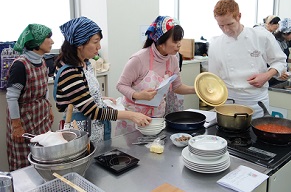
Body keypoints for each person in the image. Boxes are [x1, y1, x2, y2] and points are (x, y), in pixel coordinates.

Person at [53, 16, 151, 144]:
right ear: (79, 44)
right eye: (95, 42)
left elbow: (79, 95)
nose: (99, 47)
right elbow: (93, 112)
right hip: (81, 131)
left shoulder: (84, 63)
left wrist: (100, 98)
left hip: (95, 128)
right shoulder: (69, 72)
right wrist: (131, 115)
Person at [208, 0, 287, 119]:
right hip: (229, 104)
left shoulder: (261, 36)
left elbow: (280, 61)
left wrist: (266, 76)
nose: (226, 30)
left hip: (257, 103)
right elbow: (214, 79)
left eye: (230, 24)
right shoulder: (215, 45)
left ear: (239, 16)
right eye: (221, 26)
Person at [116, 16, 195, 135]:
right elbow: (121, 85)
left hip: (157, 119)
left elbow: (177, 87)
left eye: (180, 40)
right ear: (161, 41)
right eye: (175, 41)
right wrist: (138, 95)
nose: (179, 45)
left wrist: (198, 90)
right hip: (134, 120)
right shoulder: (139, 59)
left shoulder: (173, 59)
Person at [6, 24, 54, 171]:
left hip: (41, 118)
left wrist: (49, 108)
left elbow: (44, 89)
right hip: (24, 121)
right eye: (48, 38)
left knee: (43, 158)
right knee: (25, 163)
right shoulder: (20, 65)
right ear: (36, 42)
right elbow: (12, 98)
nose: (52, 42)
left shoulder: (43, 61)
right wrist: (17, 126)